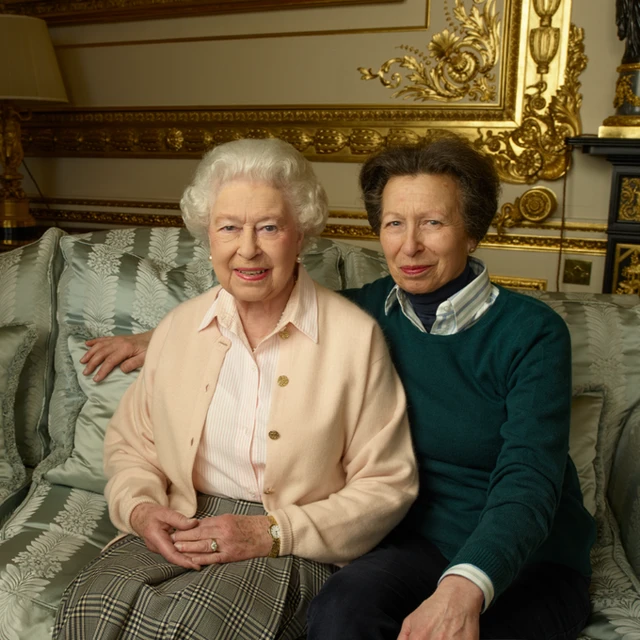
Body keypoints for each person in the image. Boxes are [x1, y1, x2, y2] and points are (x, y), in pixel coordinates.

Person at [78, 137, 596, 640]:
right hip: (415, 545)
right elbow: (268, 300)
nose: (409, 245)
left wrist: (464, 587)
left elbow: (528, 482)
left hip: (523, 559)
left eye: (433, 223)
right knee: (340, 613)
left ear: (474, 230)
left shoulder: (531, 333)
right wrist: (163, 337)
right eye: (394, 224)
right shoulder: (369, 309)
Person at [53, 138, 418, 640]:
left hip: (291, 538)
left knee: (196, 629)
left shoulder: (355, 338)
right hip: (183, 514)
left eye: (268, 227)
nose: (247, 249)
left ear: (301, 235)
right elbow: (131, 446)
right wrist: (140, 508)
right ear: (209, 236)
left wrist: (273, 531)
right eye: (229, 228)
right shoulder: (179, 328)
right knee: (89, 611)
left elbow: (387, 485)